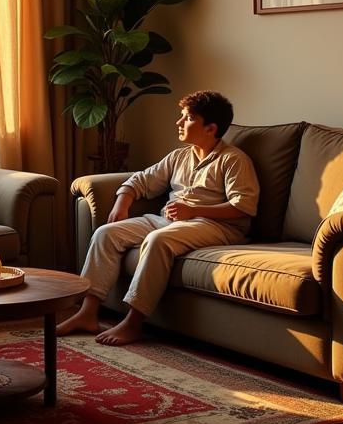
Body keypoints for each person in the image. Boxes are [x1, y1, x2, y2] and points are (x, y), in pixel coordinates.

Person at [57, 90, 259, 346]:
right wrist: (122, 204)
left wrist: (195, 211)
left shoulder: (234, 160)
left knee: (157, 240)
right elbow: (140, 180)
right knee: (106, 233)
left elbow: (244, 207)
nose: (178, 123)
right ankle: (87, 312)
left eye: (186, 118)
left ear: (210, 128)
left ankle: (133, 322)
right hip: (171, 220)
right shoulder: (179, 156)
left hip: (218, 226)